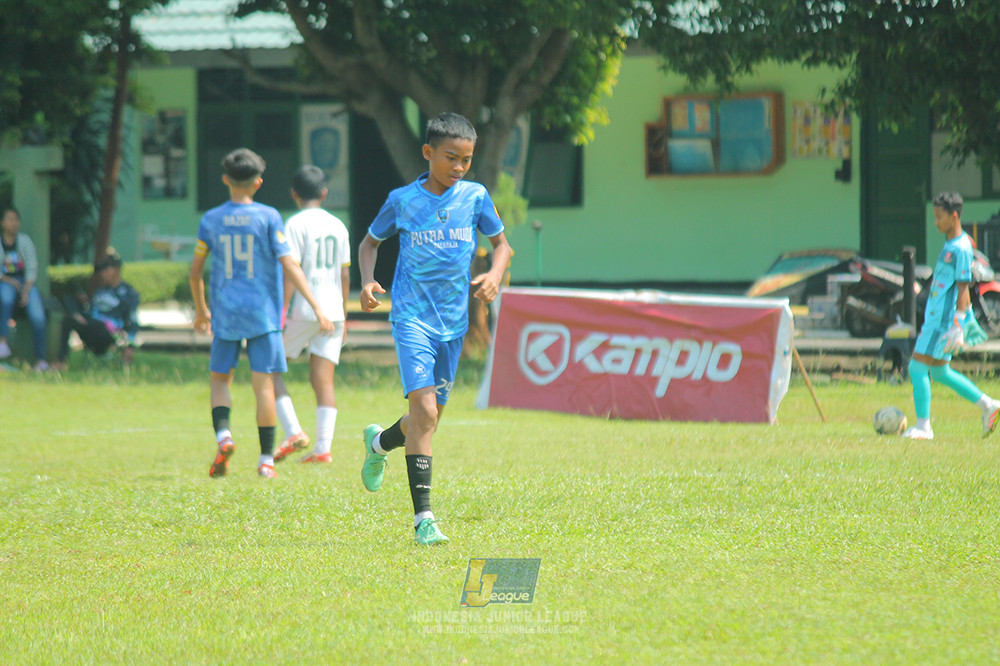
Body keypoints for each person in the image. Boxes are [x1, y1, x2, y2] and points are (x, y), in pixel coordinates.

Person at [358, 113, 513, 545]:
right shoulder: (402, 200)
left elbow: (503, 246)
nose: (459, 168)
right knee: (425, 414)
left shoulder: (476, 197)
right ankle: (424, 520)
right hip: (411, 319)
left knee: (427, 420)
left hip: (453, 325)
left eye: (466, 160)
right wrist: (368, 280)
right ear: (428, 153)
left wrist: (495, 275)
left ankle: (378, 445)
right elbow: (370, 243)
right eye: (450, 158)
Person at [190, 148, 334, 479]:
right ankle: (266, 460)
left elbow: (195, 272)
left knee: (219, 381)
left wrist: (201, 311)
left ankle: (224, 436)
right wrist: (315, 305)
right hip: (263, 315)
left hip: (226, 313)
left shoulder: (211, 220)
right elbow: (289, 264)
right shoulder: (269, 217)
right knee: (264, 386)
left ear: (226, 179)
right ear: (258, 182)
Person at [903, 191, 1000, 439]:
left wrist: (957, 324)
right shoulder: (951, 245)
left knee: (916, 368)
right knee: (939, 372)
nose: (936, 222)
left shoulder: (961, 249)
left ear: (954, 216)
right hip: (937, 319)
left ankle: (924, 426)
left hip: (942, 322)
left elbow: (963, 287)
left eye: (939, 217)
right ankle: (988, 405)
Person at [272, 165, 351, 465]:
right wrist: (344, 314)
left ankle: (292, 430)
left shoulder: (294, 224)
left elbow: (290, 272)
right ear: (324, 193)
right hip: (334, 310)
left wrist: (282, 310)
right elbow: (345, 275)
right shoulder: (338, 225)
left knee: (269, 367)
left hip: (305, 309)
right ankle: (323, 448)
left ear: (294, 194)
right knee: (324, 380)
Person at [53, 248, 140, 370]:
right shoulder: (100, 291)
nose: (102, 273)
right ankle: (61, 362)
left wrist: (130, 346)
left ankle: (80, 319)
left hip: (108, 334)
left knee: (97, 324)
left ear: (117, 269)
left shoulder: (128, 293)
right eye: (102, 270)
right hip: (91, 328)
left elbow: (132, 319)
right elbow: (93, 311)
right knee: (68, 314)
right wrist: (84, 305)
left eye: (106, 269)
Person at [0, 207, 48, 370]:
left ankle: (41, 359)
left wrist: (26, 289)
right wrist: (10, 281)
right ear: (2, 222)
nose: (13, 223)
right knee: (5, 297)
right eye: (9, 219)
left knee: (38, 316)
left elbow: (32, 266)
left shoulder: (24, 241)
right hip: (5, 281)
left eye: (16, 219)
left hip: (25, 282)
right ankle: (2, 342)